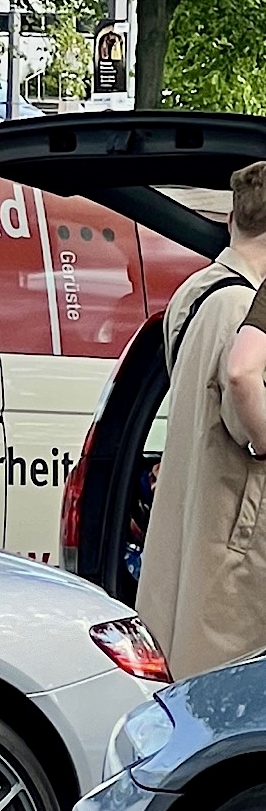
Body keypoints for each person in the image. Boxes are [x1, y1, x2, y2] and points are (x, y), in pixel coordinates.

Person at [144, 160, 266, 674]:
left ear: (234, 218)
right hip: (229, 549)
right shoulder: (246, 307)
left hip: (183, 533)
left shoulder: (193, 294)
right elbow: (242, 388)